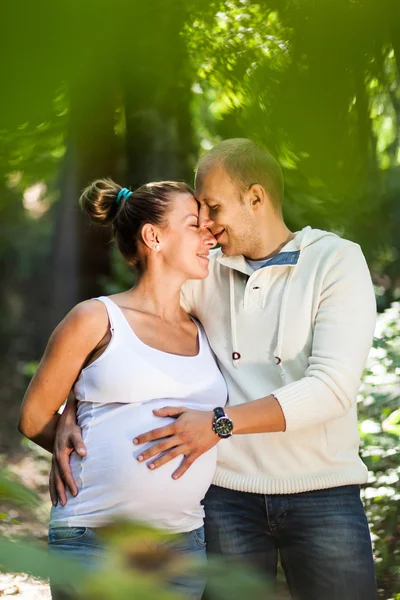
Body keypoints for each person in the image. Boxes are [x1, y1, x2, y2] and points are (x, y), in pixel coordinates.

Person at [52, 139, 378, 600]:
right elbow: (122, 339)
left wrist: (218, 424)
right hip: (226, 498)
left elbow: (331, 388)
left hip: (324, 492)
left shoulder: (334, 261)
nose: (205, 222)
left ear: (256, 198)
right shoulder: (206, 273)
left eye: (212, 206)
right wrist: (72, 409)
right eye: (199, 210)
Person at [18, 178, 228, 600]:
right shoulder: (95, 318)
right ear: (153, 236)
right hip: (95, 539)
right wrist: (69, 433)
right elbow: (33, 418)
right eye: (193, 225)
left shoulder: (205, 327)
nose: (209, 236)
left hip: (180, 546)